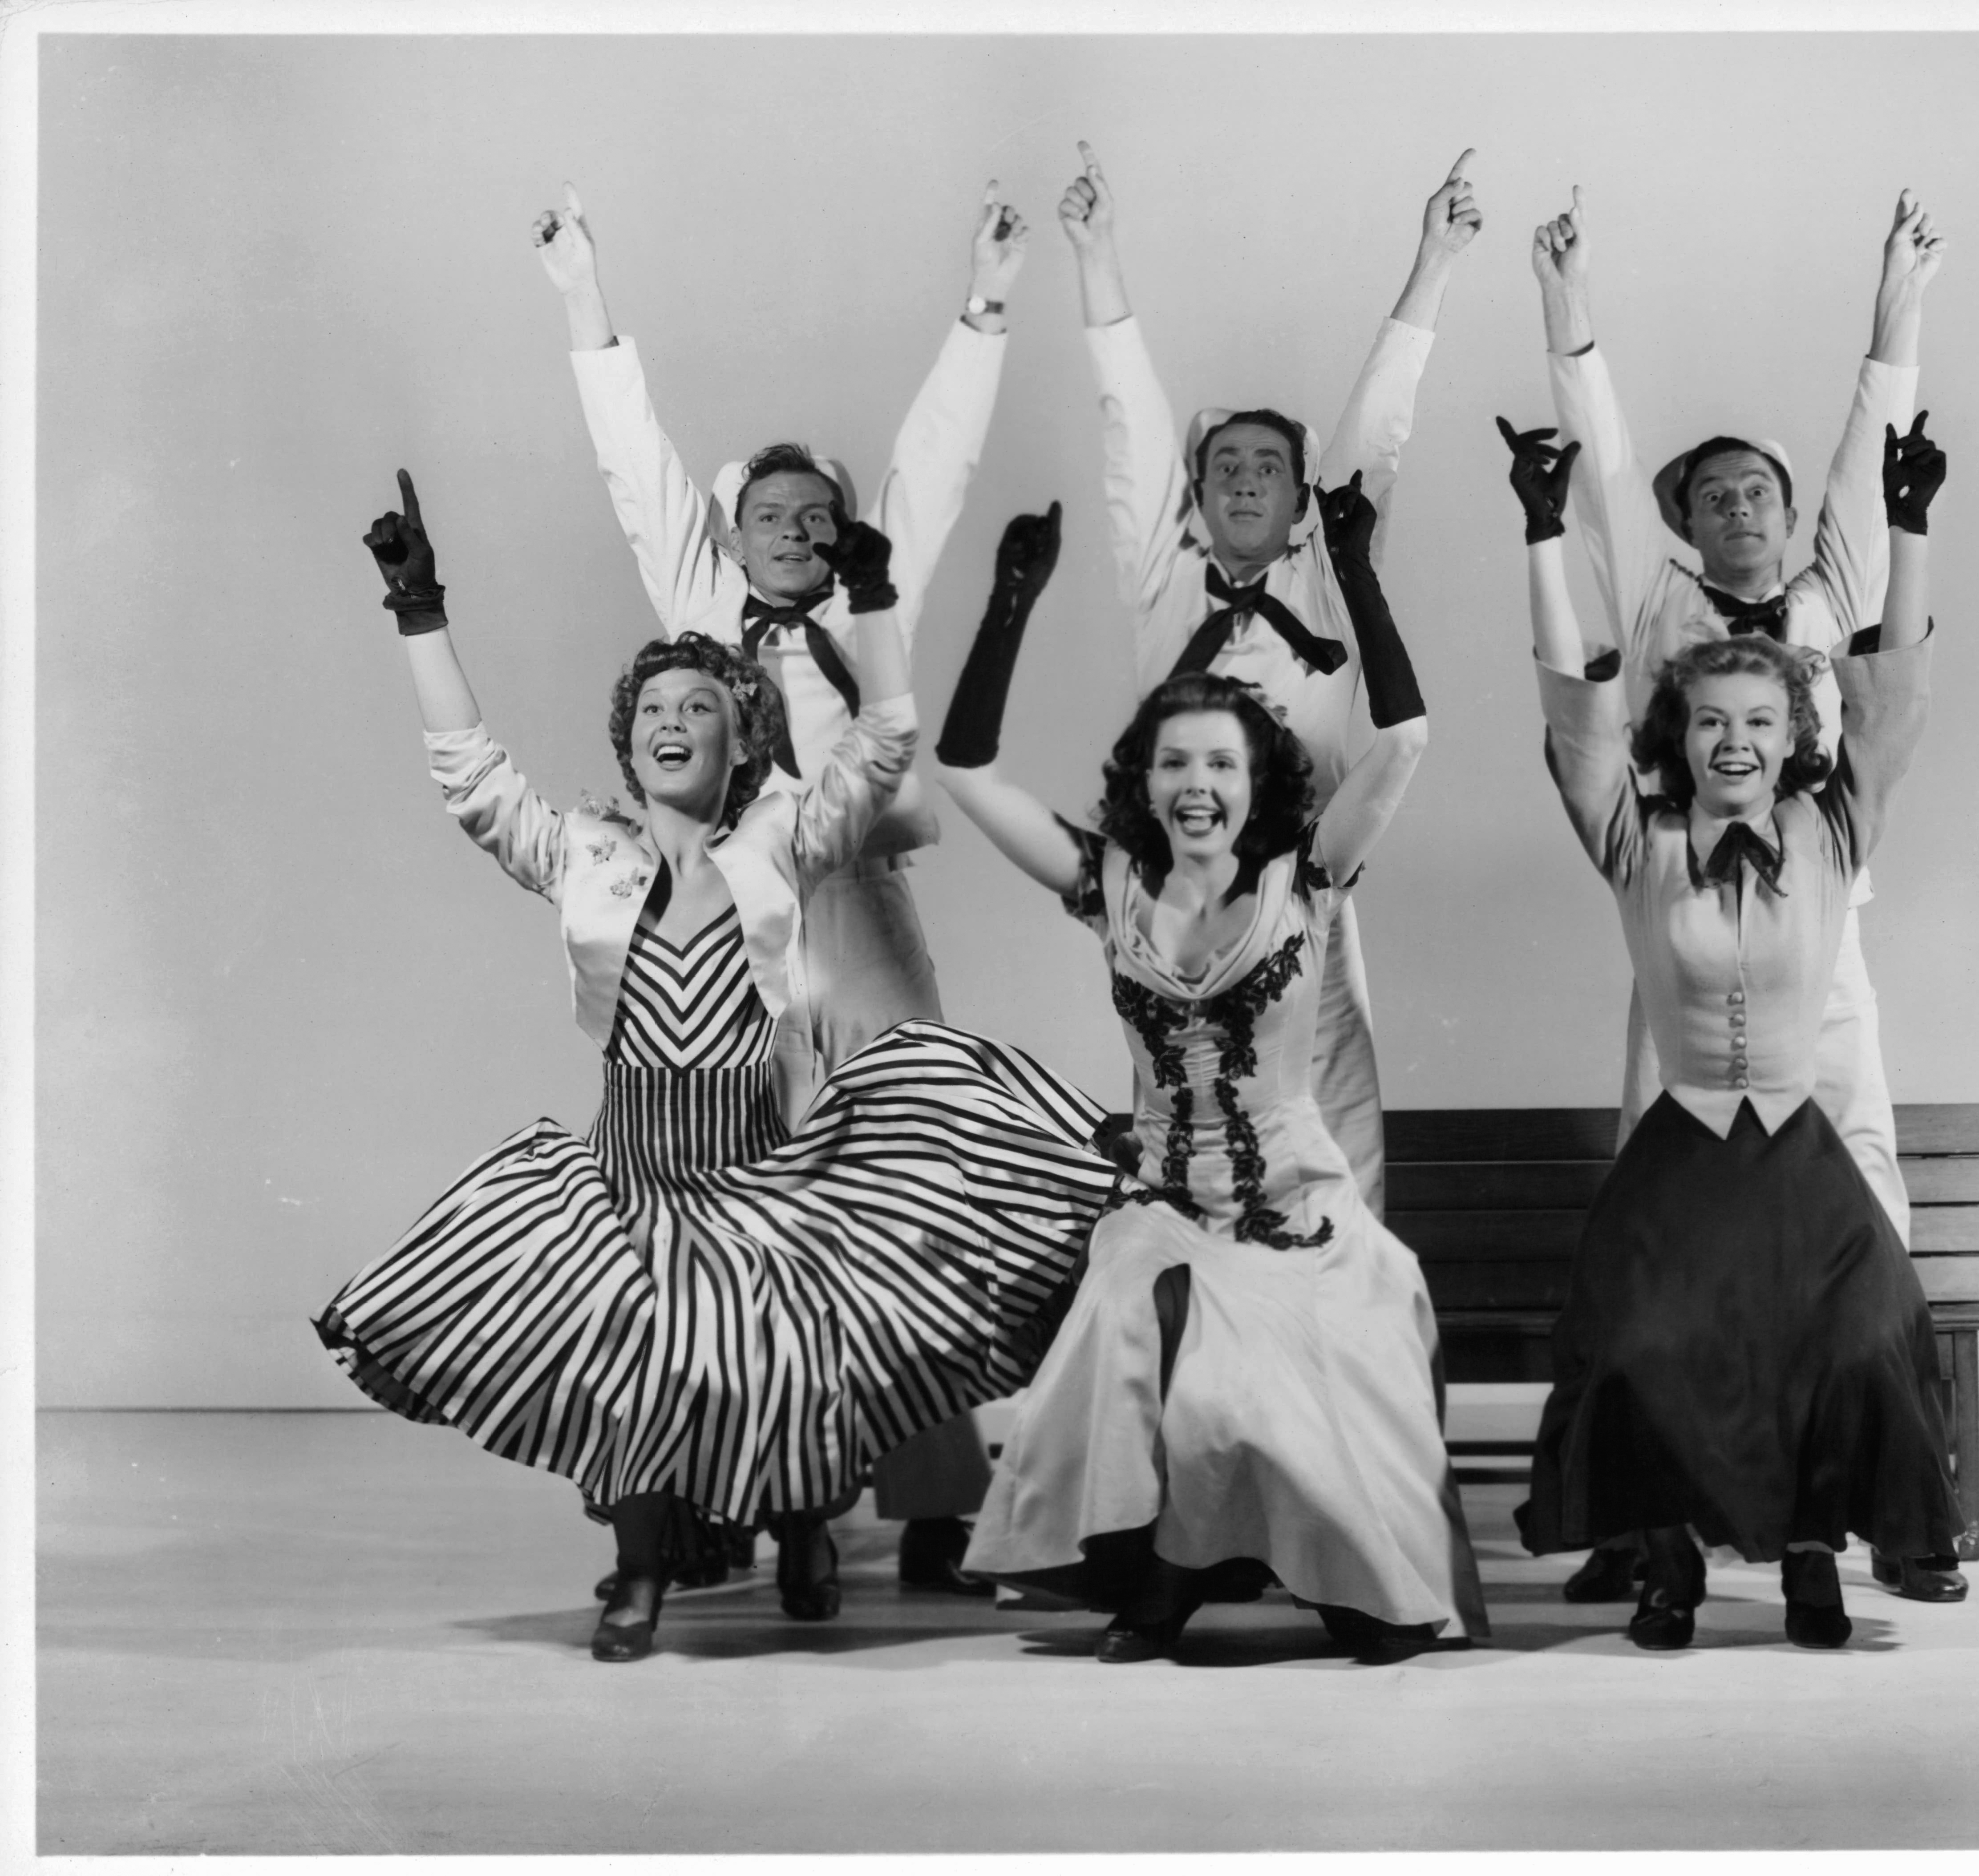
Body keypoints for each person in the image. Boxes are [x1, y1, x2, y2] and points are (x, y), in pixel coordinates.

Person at [314, 473, 1119, 1662]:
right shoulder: (584, 854)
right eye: (652, 708)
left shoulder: (781, 840)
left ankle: (801, 1528)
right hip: (630, 1178)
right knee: (645, 1358)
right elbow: (471, 778)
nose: (671, 721)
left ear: (741, 739)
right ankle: (639, 1573)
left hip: (758, 1165)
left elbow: (889, 741)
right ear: (630, 740)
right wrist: (419, 615)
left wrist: (879, 598)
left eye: (699, 705)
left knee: (782, 1355)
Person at [532, 182, 1026, 1590]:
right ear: (730, 533)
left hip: (861, 923)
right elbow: (637, 461)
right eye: (770, 513)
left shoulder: (874, 599)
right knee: (720, 1203)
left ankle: (937, 1501)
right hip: (724, 936)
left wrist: (983, 303)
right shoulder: (697, 608)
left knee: (898, 1193)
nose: (798, 530)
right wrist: (584, 297)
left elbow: (934, 464)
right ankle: (715, 1491)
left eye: (819, 515)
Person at [932, 481, 1488, 1662]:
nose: (1197, 785)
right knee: (1137, 1315)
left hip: (1294, 1197)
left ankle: (1345, 1580)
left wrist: (1354, 567)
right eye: (1174, 763)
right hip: (1164, 1199)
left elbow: (1406, 740)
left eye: (1222, 766)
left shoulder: (1312, 872)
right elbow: (967, 774)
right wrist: (1008, 604)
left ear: (1257, 782)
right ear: (1142, 781)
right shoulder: (1109, 886)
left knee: (1310, 1336)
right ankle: (1161, 1579)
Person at [1529, 183, 1947, 1606]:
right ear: (1687, 526)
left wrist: (1901, 292)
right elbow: (1599, 460)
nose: (1737, 510)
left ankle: (1876, 1506)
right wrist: (1567, 313)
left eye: (1752, 492)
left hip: (1822, 941)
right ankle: (1654, 1516)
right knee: (1668, 1230)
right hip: (1686, 929)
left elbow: (1866, 451)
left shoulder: (1833, 591)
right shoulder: (1658, 607)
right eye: (1710, 499)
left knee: (1862, 1202)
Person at [1051, 142, 1482, 1217]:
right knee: (1182, 1133)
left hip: (1309, 892)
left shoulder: (1331, 575)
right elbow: (1129, 423)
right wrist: (1097, 258)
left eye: (1269, 468)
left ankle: (1346, 1348)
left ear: (1300, 496)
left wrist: (1431, 261)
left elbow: (1379, 432)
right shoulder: (1165, 579)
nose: (1246, 480)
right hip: (1176, 899)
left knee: (1337, 1142)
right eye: (1225, 468)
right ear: (1195, 496)